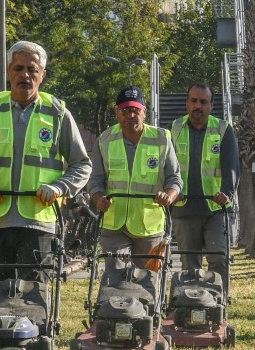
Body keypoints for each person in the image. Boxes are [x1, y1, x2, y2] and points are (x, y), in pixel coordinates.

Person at [0, 40, 91, 284]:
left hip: (38, 220)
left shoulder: (57, 112)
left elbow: (82, 164)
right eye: (18, 68)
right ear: (9, 71)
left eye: (32, 69)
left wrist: (59, 188)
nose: (25, 75)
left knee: (34, 295)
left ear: (43, 75)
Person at [89, 85, 180, 274]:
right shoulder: (104, 140)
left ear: (144, 112)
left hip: (149, 225)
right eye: (126, 110)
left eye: (135, 110)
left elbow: (175, 178)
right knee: (114, 275)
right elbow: (96, 179)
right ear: (117, 112)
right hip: (114, 224)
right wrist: (99, 199)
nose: (130, 115)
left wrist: (169, 196)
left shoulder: (162, 138)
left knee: (148, 280)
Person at [169, 83, 239, 287]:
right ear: (186, 103)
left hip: (216, 208)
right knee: (189, 265)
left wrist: (227, 192)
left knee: (219, 258)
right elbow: (166, 166)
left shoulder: (223, 129)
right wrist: (172, 192)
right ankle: (191, 306)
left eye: (203, 102)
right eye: (193, 101)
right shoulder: (174, 129)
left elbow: (231, 165)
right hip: (184, 208)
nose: (197, 106)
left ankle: (218, 305)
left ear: (211, 105)